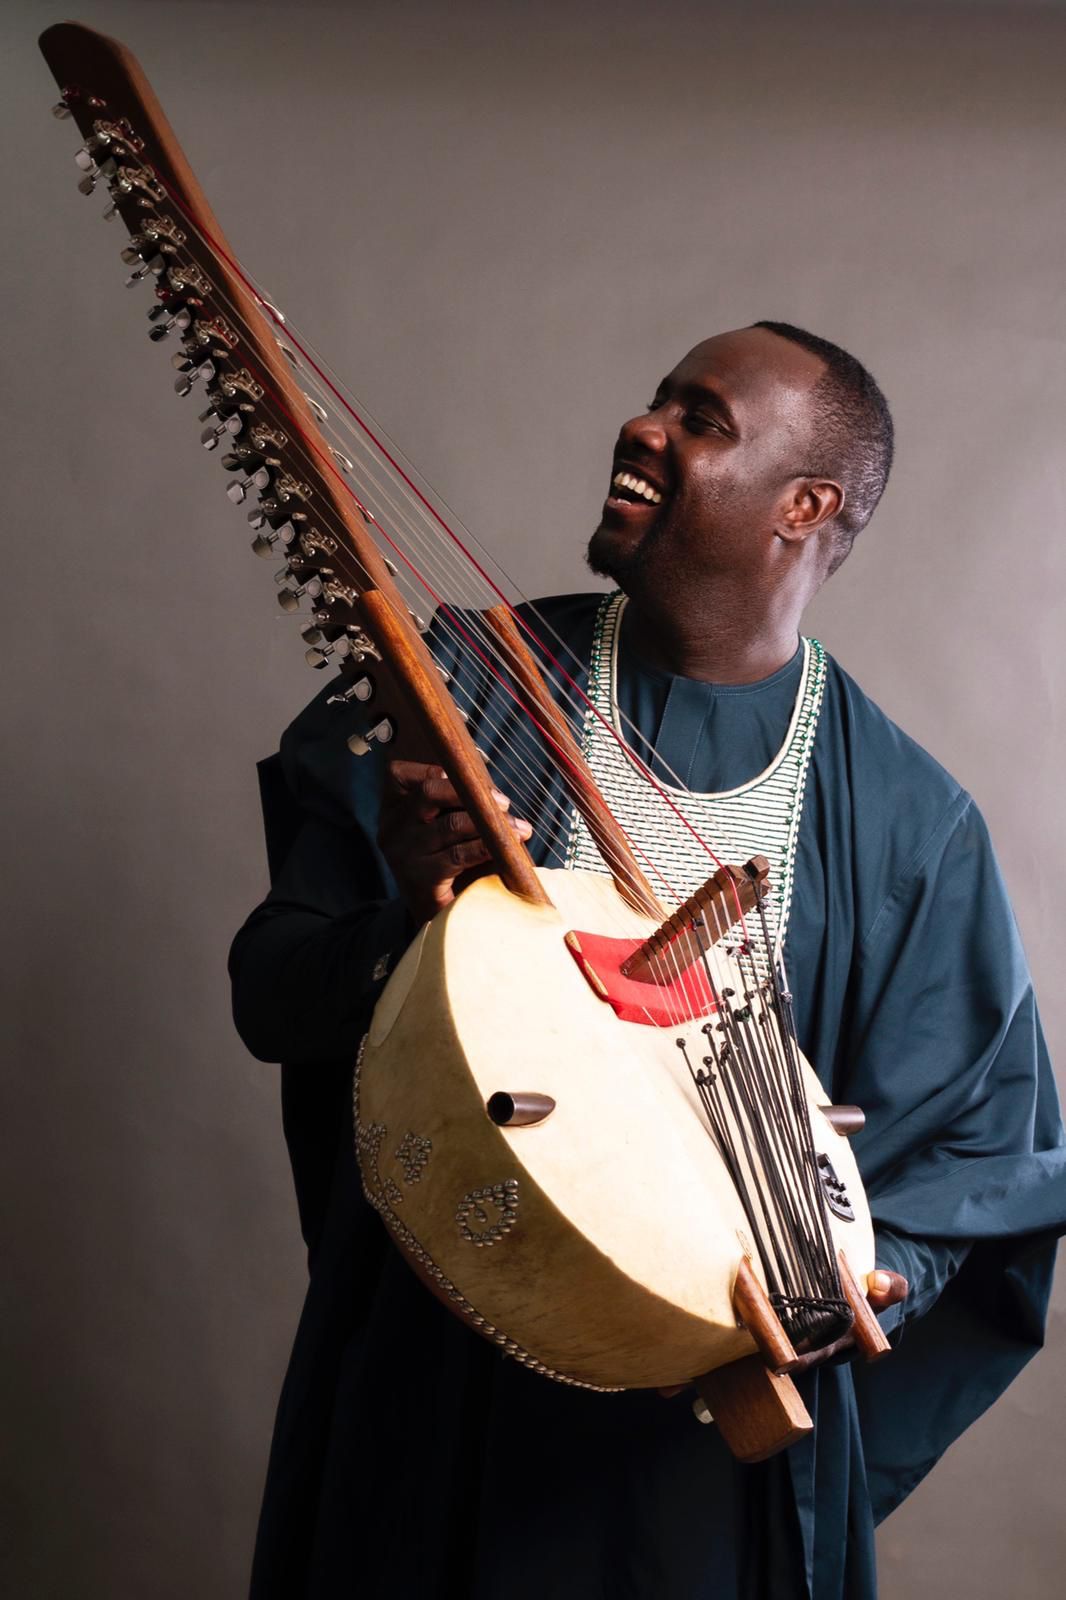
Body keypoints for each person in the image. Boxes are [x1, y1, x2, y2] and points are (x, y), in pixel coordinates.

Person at [229, 322, 1064, 1599]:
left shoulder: (907, 821)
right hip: (438, 1405)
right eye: (659, 400)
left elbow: (991, 1154)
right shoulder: (457, 688)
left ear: (803, 507)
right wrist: (406, 918)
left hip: (695, 1464)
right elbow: (272, 992)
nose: (644, 427)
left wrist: (857, 1276)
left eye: (701, 420)